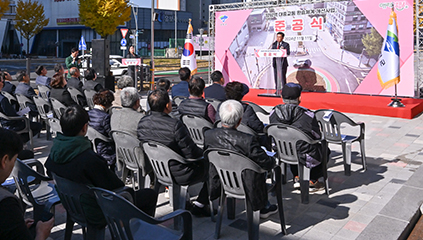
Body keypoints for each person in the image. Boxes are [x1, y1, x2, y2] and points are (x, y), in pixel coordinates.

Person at [44, 105, 157, 226]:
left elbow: (49, 171)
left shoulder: (56, 150)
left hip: (72, 205)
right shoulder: (88, 159)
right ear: (85, 127)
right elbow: (116, 186)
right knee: (148, 195)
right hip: (95, 211)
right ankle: (136, 232)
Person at [137, 89, 211, 217]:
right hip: (180, 172)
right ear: (167, 105)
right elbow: (192, 154)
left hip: (157, 169)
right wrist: (205, 154)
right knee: (212, 167)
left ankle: (190, 202)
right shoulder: (174, 125)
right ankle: (200, 204)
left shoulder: (142, 123)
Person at [204, 100, 278, 218]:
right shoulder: (248, 140)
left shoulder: (208, 135)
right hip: (246, 183)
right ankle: (264, 207)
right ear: (239, 121)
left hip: (222, 179)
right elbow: (266, 163)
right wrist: (274, 161)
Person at [269, 83, 325, 189]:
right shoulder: (308, 115)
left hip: (281, 151)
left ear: (281, 97)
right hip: (302, 154)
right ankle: (312, 180)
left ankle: (297, 176)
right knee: (323, 149)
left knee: (293, 146)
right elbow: (317, 136)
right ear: (300, 98)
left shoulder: (273, 113)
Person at [0, 73, 41, 142]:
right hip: (10, 124)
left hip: (0, 122)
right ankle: (18, 142)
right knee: (38, 126)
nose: (3, 83)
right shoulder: (2, 99)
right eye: (2, 81)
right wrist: (22, 117)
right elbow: (12, 115)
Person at [224, 81, 266, 145]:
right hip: (245, 143)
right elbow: (259, 127)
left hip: (225, 140)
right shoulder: (246, 109)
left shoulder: (221, 107)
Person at [88, 91, 116, 168]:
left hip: (91, 146)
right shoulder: (105, 117)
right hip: (104, 148)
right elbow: (110, 134)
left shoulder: (88, 113)